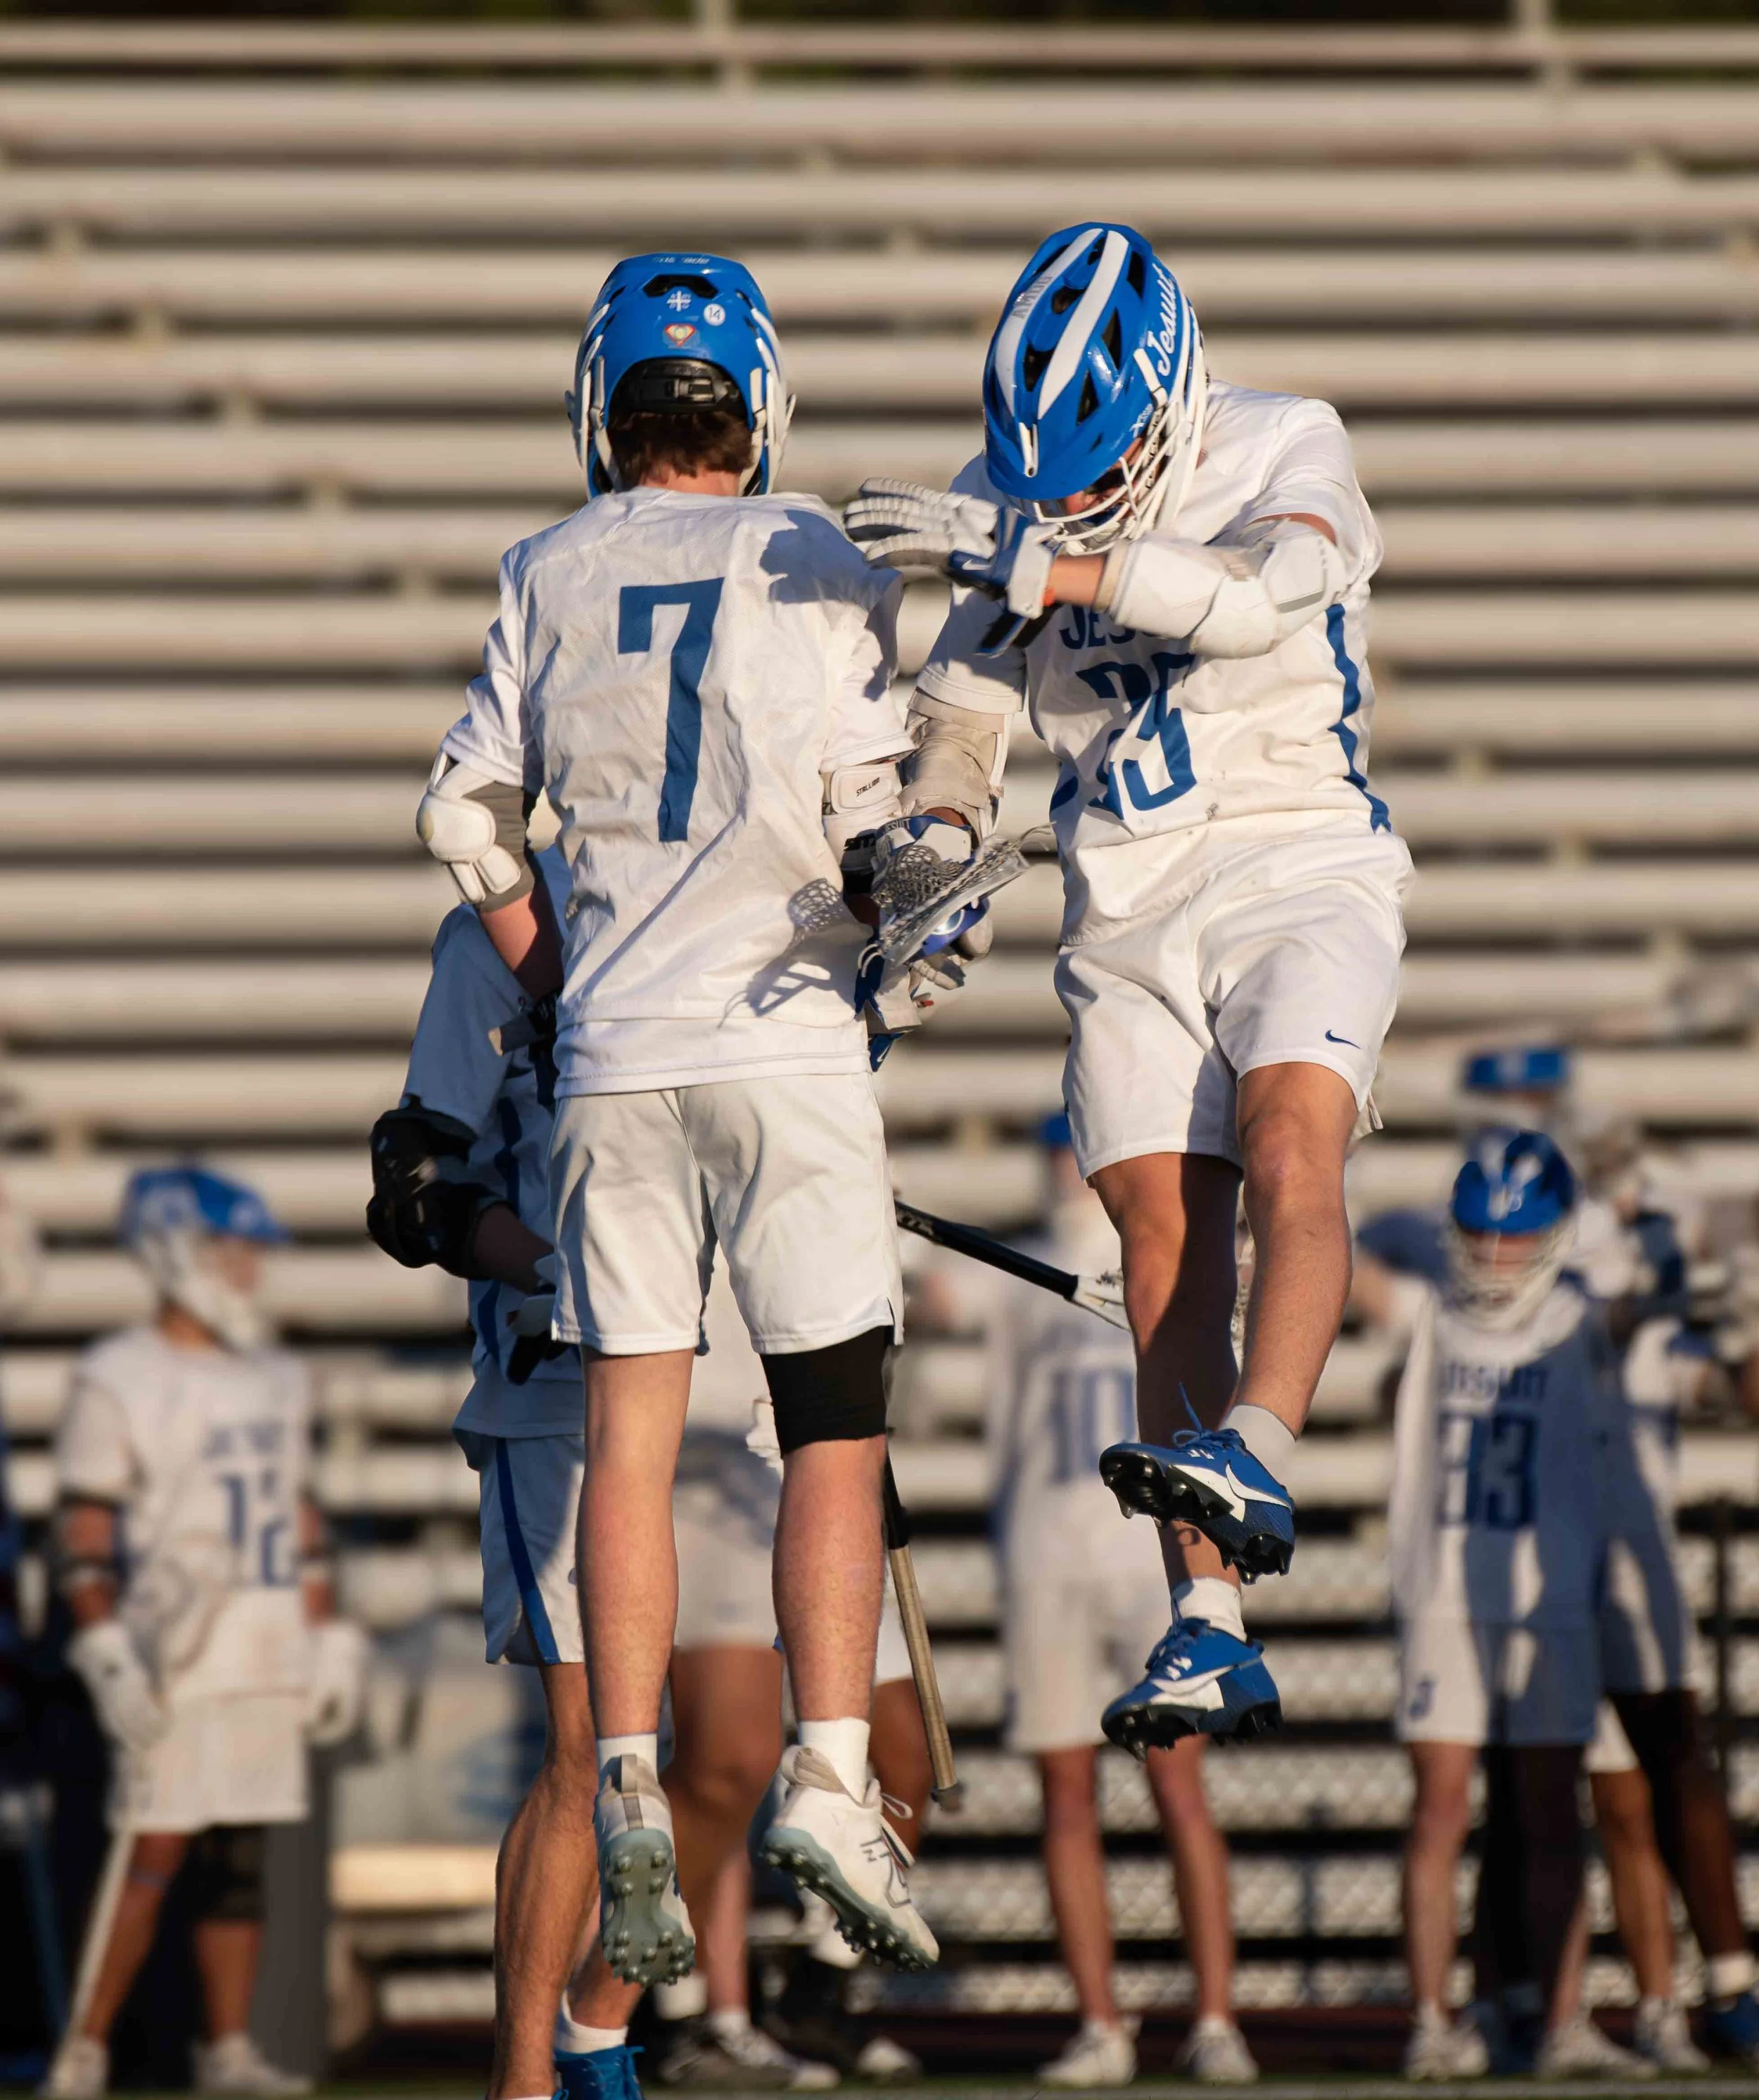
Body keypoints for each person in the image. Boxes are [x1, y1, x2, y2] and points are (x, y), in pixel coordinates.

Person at [417, 251, 938, 2001]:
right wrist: (919, 914)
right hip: (787, 1044)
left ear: (602, 409)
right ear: (753, 409)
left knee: (632, 1429)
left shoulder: (547, 566)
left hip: (621, 1053)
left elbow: (464, 820)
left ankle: (628, 1775)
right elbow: (878, 824)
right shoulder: (818, 553)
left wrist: (560, 983)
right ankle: (832, 1775)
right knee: (827, 1431)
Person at [844, 220, 1411, 1747]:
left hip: (1297, 859)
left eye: (1098, 472)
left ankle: (1261, 1445)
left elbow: (1250, 597)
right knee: (1159, 1244)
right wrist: (934, 846)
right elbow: (959, 721)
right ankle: (1207, 1624)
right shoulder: (1010, 504)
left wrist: (1052, 560)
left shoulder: (1287, 439)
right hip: (1123, 905)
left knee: (1293, 1144)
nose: (1070, 500)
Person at [41, 1169, 365, 2100]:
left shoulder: (274, 1376)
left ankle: (227, 2052)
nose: (249, 1272)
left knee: (240, 1861)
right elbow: (86, 1523)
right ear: (177, 1250)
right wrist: (103, 1645)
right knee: (150, 1854)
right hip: (176, 1652)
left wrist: (326, 1632)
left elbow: (298, 1518)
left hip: (263, 1646)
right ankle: (87, 2049)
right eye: (233, 1251)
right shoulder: (122, 1377)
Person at [987, 1116, 1255, 2087]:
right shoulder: (1018, 1273)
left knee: (1180, 1786)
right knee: (1066, 1794)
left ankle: (1216, 2017)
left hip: (1151, 1559)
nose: (1069, 1171)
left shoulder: (1165, 1261)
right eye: (1056, 1153)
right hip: (1043, 1552)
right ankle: (1101, 2022)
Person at [1387, 1130, 1649, 2081]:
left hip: (1551, 1595)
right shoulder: (1428, 1312)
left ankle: (1565, 2019)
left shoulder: (1579, 1322)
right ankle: (1430, 2020)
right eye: (1481, 1236)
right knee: (1441, 1811)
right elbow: (1351, 1279)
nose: (1496, 1257)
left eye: (1514, 1238)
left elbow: (1641, 1308)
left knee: (1548, 1812)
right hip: (1445, 1592)